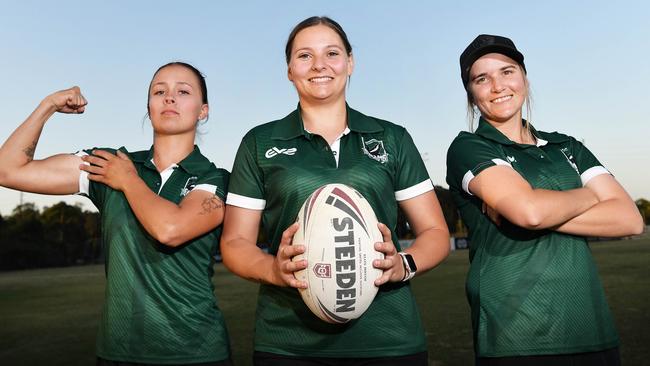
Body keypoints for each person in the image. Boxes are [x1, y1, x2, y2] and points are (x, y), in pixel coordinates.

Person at [221, 16, 450, 366]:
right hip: (287, 341)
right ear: (289, 70)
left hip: (389, 340)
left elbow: (434, 231)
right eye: (304, 56)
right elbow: (235, 242)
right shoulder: (260, 142)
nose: (319, 65)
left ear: (350, 62)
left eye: (332, 53)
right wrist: (273, 270)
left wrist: (402, 265)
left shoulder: (392, 138)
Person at [0, 62, 232, 365]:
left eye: (183, 91)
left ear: (203, 110)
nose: (169, 98)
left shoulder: (215, 178)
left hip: (196, 352)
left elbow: (170, 230)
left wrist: (128, 181)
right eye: (159, 91)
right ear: (149, 107)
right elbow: (8, 171)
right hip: (119, 351)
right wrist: (48, 105)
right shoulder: (112, 163)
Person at [446, 34, 644, 366]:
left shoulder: (566, 146)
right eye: (482, 78)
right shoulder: (469, 147)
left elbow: (629, 219)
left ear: (524, 77)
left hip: (591, 329)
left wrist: (529, 207)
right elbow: (530, 213)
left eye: (507, 72)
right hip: (514, 336)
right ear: (471, 93)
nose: (498, 85)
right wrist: (592, 196)